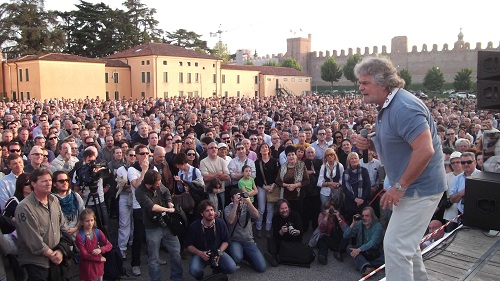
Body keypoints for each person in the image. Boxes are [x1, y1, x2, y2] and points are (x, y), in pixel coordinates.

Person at [355, 56, 446, 281]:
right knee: (407, 246)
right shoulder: (387, 106)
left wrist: (399, 185)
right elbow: (398, 145)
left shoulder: (404, 107)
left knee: (395, 246)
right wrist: (371, 144)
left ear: (383, 83)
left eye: (365, 82)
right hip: (410, 189)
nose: (360, 87)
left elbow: (425, 150)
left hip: (419, 189)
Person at [15, 168, 69, 280]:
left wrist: (60, 251)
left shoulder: (54, 200)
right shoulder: (24, 207)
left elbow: (62, 227)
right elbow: (32, 239)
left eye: (49, 180)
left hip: (56, 261)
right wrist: (51, 254)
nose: (48, 183)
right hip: (36, 264)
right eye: (44, 181)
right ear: (33, 183)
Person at [135, 170, 183, 281]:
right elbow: (152, 207)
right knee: (154, 259)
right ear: (149, 184)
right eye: (157, 184)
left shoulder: (158, 182)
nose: (159, 185)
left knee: (176, 252)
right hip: (152, 227)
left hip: (167, 224)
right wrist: (168, 209)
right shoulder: (140, 192)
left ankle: (177, 277)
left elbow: (166, 191)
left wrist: (169, 201)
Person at [184, 200, 237, 280]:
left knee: (232, 267)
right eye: (207, 211)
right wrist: (200, 253)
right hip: (201, 253)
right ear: (202, 213)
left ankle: (218, 272)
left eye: (212, 210)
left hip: (217, 252)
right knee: (194, 270)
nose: (211, 213)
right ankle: (201, 278)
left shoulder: (220, 223)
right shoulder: (194, 226)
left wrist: (219, 252)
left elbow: (226, 240)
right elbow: (188, 245)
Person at [224, 189, 266, 273]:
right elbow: (230, 221)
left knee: (261, 268)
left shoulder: (246, 205)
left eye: (240, 196)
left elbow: (257, 216)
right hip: (235, 240)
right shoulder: (228, 208)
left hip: (248, 240)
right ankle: (239, 255)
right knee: (237, 257)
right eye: (237, 197)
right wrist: (235, 205)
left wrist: (249, 202)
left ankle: (247, 256)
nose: (240, 199)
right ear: (232, 199)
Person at [343, 206, 384, 276]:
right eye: (363, 216)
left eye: (367, 216)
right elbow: (345, 236)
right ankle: (367, 266)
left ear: (372, 216)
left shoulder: (378, 226)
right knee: (349, 248)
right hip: (362, 251)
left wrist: (359, 250)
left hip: (374, 251)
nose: (364, 218)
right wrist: (353, 224)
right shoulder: (359, 224)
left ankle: (362, 264)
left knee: (385, 259)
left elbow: (373, 243)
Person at [75, 208, 112, 281]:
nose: (90, 223)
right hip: (87, 268)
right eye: (87, 221)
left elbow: (109, 245)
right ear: (82, 222)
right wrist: (99, 259)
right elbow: (84, 254)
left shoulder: (98, 232)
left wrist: (101, 249)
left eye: (92, 220)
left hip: (98, 267)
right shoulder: (80, 236)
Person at [264, 199, 302, 267]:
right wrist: (281, 232)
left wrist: (297, 231)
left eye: (286, 208)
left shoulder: (295, 215)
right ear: (278, 209)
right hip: (282, 242)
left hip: (293, 241)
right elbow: (275, 235)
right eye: (282, 209)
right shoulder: (275, 218)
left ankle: (279, 258)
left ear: (288, 208)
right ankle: (274, 258)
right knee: (270, 239)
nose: (284, 210)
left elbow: (301, 230)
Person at [254, 143, 281, 239]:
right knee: (261, 209)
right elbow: (256, 177)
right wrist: (264, 186)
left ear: (269, 150)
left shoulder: (274, 161)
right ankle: (258, 228)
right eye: (262, 147)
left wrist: (273, 185)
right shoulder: (257, 162)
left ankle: (268, 229)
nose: (265, 149)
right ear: (260, 150)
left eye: (266, 147)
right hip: (262, 187)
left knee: (270, 209)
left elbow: (277, 174)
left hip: (273, 187)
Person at [275, 145, 309, 215]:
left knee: (298, 215)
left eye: (293, 154)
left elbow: (307, 180)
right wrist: (287, 185)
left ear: (296, 155)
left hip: (299, 197)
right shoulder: (283, 167)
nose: (291, 157)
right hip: (286, 197)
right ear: (286, 157)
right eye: (289, 155)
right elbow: (277, 181)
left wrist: (295, 185)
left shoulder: (302, 166)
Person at [52, 171, 85, 236]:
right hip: (60, 236)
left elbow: (83, 214)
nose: (65, 183)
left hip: (77, 233)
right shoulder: (51, 199)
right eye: (61, 181)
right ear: (54, 183)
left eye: (67, 180)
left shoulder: (75, 196)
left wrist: (76, 228)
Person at [342, 152, 371, 224]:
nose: (354, 160)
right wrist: (355, 199)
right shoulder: (345, 172)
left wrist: (362, 199)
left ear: (358, 160)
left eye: (355, 158)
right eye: (352, 159)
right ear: (349, 160)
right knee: (352, 223)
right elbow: (345, 188)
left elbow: (368, 185)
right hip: (350, 202)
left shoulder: (364, 171)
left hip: (363, 202)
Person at [314, 200, 346, 265]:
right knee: (322, 244)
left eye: (331, 208)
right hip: (324, 236)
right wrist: (326, 216)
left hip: (335, 236)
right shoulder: (322, 215)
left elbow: (346, 229)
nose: (330, 210)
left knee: (344, 238)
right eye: (328, 208)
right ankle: (322, 256)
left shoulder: (338, 215)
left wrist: (338, 217)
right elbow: (322, 229)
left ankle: (339, 252)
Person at [449, 152, 480, 216]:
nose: (466, 164)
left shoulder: (482, 177)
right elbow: (452, 199)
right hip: (461, 214)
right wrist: (462, 193)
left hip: (478, 214)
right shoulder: (458, 178)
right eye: (463, 163)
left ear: (475, 162)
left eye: (469, 162)